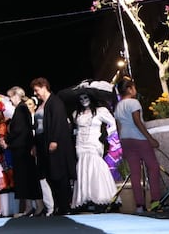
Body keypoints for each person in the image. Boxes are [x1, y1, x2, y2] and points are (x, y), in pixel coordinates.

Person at [114, 77, 161, 213]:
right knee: (153, 168)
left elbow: (118, 127)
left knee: (135, 173)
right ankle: (155, 201)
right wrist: (150, 139)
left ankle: (139, 205)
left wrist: (122, 144)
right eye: (133, 87)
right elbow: (137, 121)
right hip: (139, 139)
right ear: (129, 89)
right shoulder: (134, 103)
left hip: (126, 140)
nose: (135, 90)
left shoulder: (118, 106)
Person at [31, 77, 76, 216]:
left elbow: (58, 122)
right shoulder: (44, 103)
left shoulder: (55, 102)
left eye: (36, 90)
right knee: (50, 175)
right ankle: (58, 205)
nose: (35, 93)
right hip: (43, 142)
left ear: (44, 86)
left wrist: (54, 140)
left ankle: (65, 205)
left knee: (59, 175)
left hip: (54, 143)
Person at [70, 93, 118, 212]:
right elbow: (76, 129)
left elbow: (114, 123)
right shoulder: (76, 114)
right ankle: (84, 199)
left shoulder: (100, 111)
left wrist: (105, 134)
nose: (83, 100)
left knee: (96, 168)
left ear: (91, 98)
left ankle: (102, 198)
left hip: (94, 143)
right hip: (80, 144)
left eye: (85, 97)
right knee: (83, 169)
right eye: (80, 98)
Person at [6, 86, 44, 217]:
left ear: (17, 95)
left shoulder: (21, 109)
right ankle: (30, 207)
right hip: (23, 148)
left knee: (28, 178)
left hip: (22, 149)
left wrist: (7, 138)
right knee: (26, 179)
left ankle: (37, 206)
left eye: (11, 96)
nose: (10, 100)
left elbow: (18, 130)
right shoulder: (22, 109)